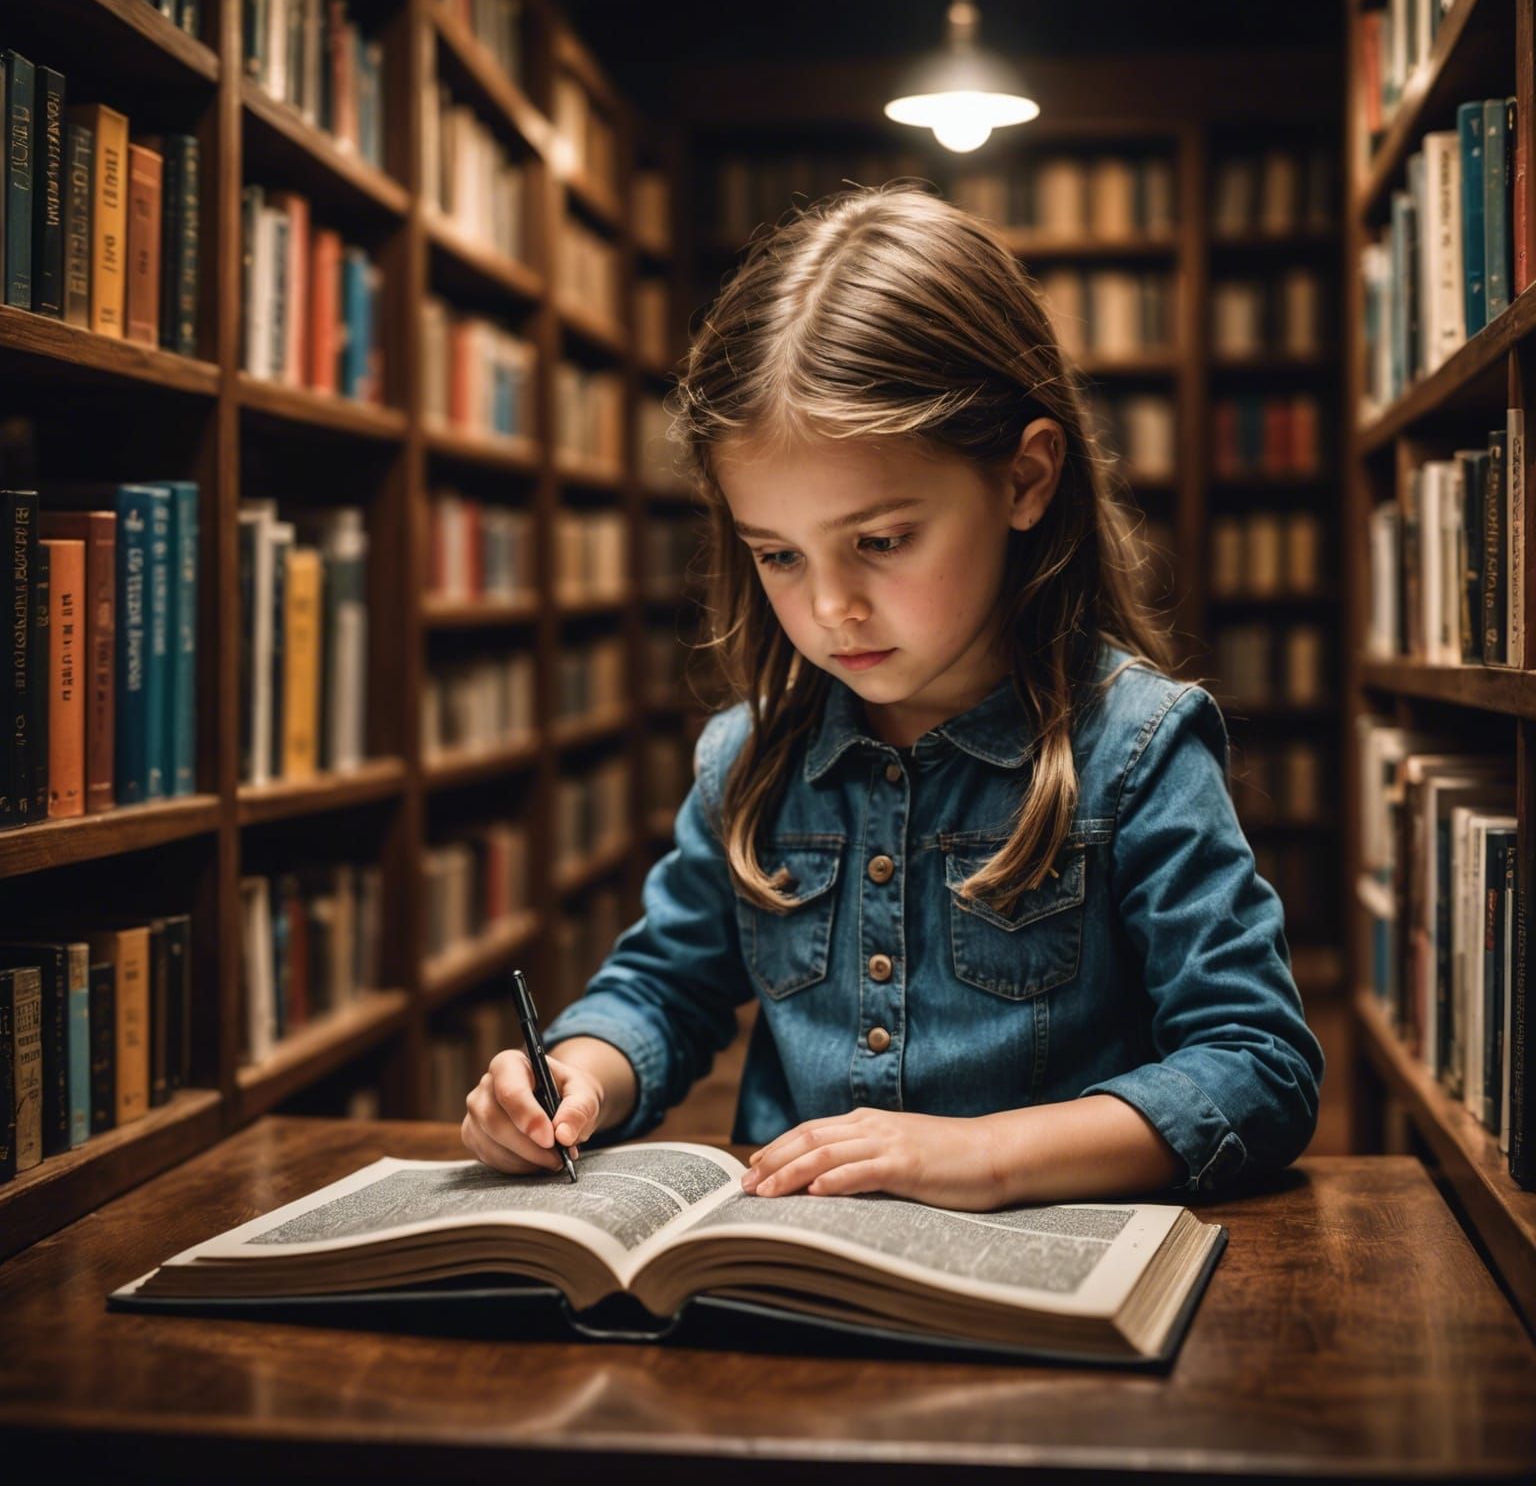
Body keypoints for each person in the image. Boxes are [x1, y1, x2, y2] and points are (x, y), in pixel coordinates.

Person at [461, 183, 1324, 1210]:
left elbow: (1258, 1064)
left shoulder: (1136, 752)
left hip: (1056, 1279)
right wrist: (574, 1077)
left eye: (881, 541)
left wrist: (985, 1155)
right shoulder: (749, 760)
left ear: (1026, 479)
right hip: (801, 1280)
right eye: (778, 554)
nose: (831, 608)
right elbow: (663, 988)